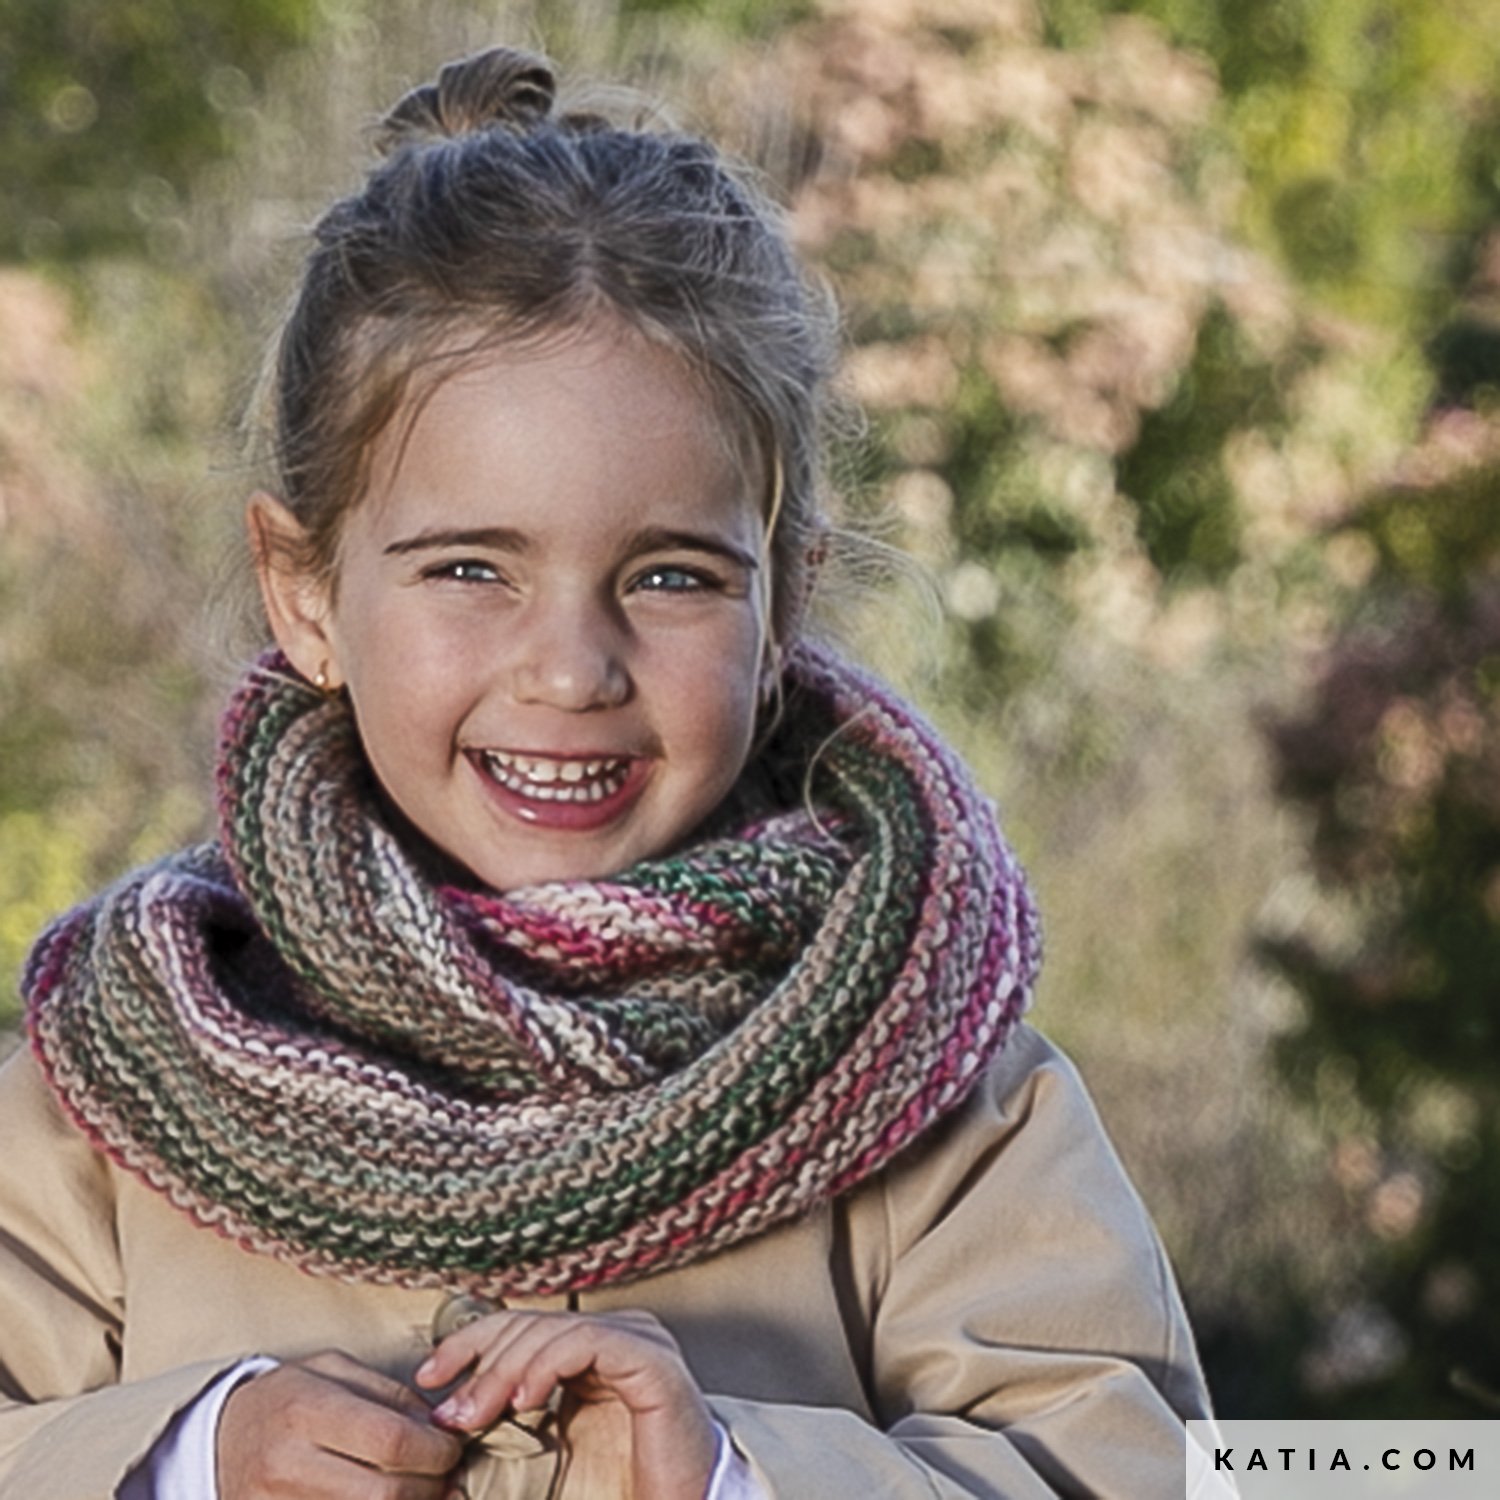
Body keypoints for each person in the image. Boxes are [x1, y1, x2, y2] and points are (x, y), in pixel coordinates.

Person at [0, 45, 1213, 1500]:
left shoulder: (944, 1094)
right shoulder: (112, 1095)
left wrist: (733, 1474)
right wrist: (188, 1458)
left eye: (671, 576)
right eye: (470, 568)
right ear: (305, 590)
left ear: (784, 606)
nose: (572, 668)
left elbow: (1135, 1469)